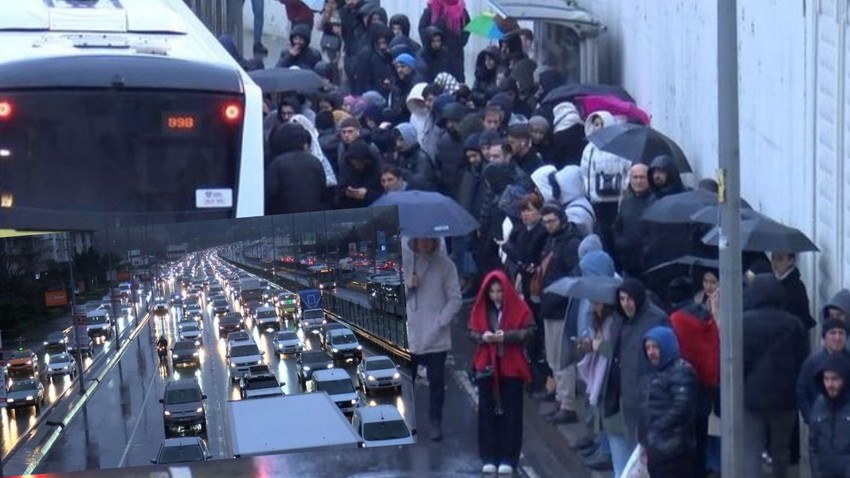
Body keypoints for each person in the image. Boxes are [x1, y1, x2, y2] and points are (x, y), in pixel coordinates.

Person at [469, 270, 535, 475]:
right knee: (487, 413)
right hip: (488, 366)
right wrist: (483, 337)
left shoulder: (519, 307)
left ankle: (509, 456)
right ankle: (489, 455)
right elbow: (473, 330)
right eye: (492, 291)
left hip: (511, 367)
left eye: (499, 291)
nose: (496, 295)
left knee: (512, 414)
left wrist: (506, 336)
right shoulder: (482, 308)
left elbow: (529, 330)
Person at [600, 278, 668, 477]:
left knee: (641, 451)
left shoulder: (655, 319)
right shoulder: (619, 320)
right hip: (620, 393)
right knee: (625, 446)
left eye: (629, 299)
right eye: (622, 299)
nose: (625, 303)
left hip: (643, 396)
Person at [742, 274, 808, 478]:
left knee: (752, 448)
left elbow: (738, 360)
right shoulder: (794, 324)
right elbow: (802, 361)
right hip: (785, 398)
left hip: (752, 396)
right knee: (781, 449)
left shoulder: (744, 322)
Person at [404, 237, 462, 441]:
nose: (425, 243)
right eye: (422, 240)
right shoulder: (406, 264)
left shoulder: (446, 266)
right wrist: (409, 286)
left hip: (436, 337)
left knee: (436, 383)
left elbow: (455, 299)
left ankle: (435, 421)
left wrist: (440, 322)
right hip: (410, 335)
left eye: (430, 240)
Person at [667, 276, 719, 478]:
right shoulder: (707, 316)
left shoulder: (677, 320)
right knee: (702, 435)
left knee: (685, 440)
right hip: (707, 384)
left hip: (685, 386)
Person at [537, 203, 584, 424]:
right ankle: (560, 398)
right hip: (550, 306)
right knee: (553, 355)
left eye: (551, 221)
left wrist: (556, 295)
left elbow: (574, 274)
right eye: (545, 222)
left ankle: (567, 404)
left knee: (562, 357)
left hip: (559, 308)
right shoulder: (553, 240)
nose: (548, 226)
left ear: (561, 219)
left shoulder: (570, 244)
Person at [638, 326, 699, 478]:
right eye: (648, 347)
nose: (651, 352)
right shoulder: (656, 373)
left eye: (655, 347)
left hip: (673, 452)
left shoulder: (681, 370)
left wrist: (656, 428)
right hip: (658, 449)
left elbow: (682, 407)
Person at [580, 111, 631, 253]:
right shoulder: (589, 149)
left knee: (616, 234)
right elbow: (585, 173)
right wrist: (587, 193)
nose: (599, 127)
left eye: (602, 124)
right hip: (597, 200)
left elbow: (629, 169)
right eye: (596, 124)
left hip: (616, 200)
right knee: (603, 236)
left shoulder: (620, 146)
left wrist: (625, 191)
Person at [265, 123, 329, 214]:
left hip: (284, 218)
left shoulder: (276, 164)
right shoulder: (314, 161)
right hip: (313, 217)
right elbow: (323, 190)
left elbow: (270, 194)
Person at [798, 319, 850, 424]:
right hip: (820, 423)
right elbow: (802, 390)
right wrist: (811, 418)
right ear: (823, 338)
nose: (837, 337)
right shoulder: (812, 362)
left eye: (841, 333)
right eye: (833, 333)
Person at [807, 353, 850, 478]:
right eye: (826, 379)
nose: (830, 384)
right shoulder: (819, 404)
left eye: (835, 379)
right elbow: (813, 446)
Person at [612, 163, 656, 277]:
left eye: (642, 177)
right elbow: (617, 227)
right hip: (628, 263)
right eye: (635, 177)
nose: (638, 181)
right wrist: (621, 244)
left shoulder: (656, 201)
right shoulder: (626, 201)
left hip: (649, 265)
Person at [418, 0, 471, 83]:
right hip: (434, 56)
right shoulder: (432, 8)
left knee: (455, 84)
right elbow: (422, 27)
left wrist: (459, 43)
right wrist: (429, 44)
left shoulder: (461, 10)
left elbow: (467, 28)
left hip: (455, 56)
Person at [771, 251, 816, 331]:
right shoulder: (774, 281)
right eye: (773, 257)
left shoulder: (795, 286)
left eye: (780, 259)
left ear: (791, 261)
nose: (775, 262)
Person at [336, 140, 382, 209]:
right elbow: (340, 189)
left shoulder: (378, 169)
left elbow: (383, 193)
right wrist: (346, 192)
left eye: (359, 164)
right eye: (354, 164)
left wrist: (367, 194)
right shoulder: (347, 169)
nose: (357, 167)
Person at [392, 122, 438, 191]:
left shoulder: (422, 158)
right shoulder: (401, 155)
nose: (398, 144)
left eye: (401, 139)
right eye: (396, 140)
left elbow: (423, 183)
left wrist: (401, 172)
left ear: (410, 138)